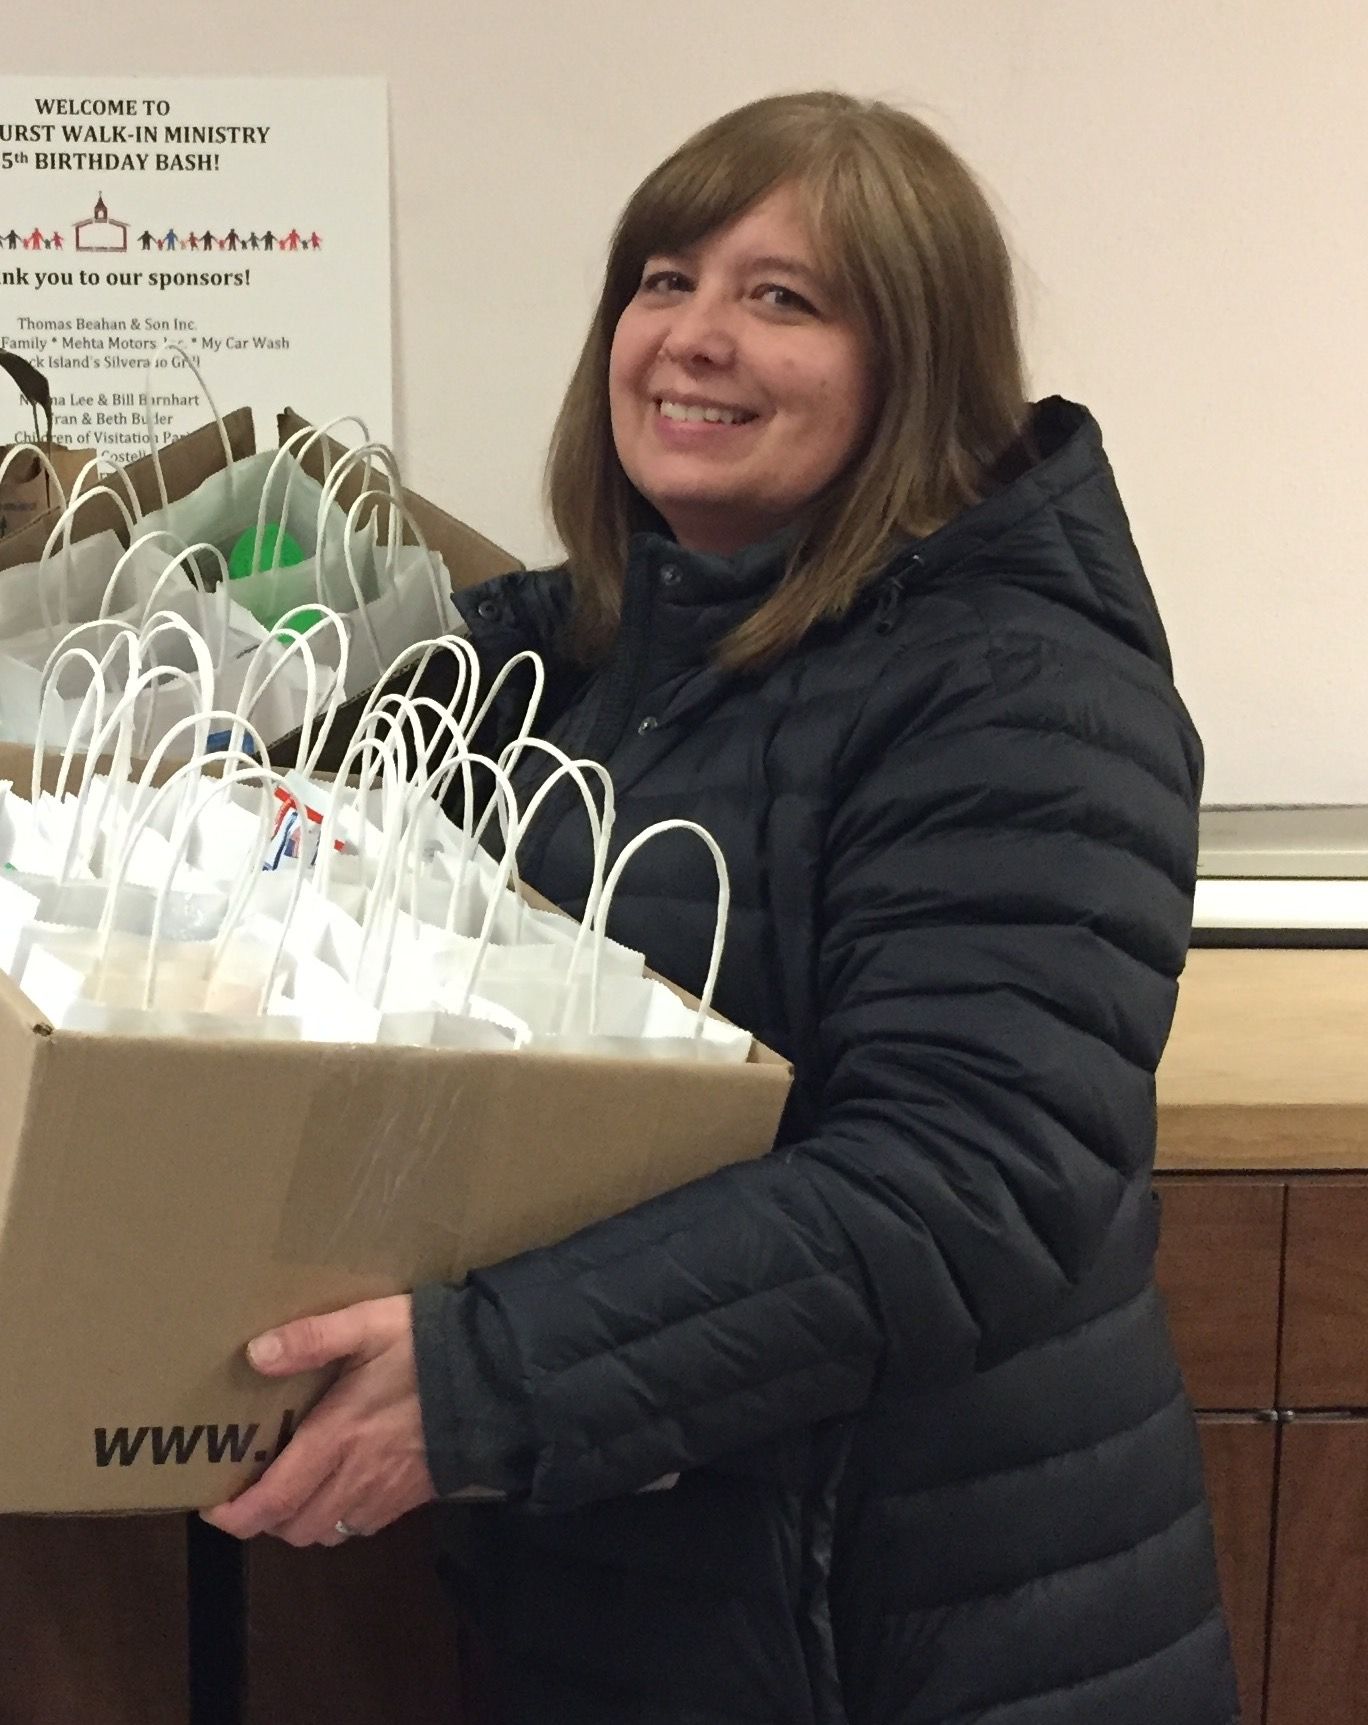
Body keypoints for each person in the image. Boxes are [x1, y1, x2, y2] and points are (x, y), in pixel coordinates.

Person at [205, 92, 1240, 1724]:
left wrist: (490, 1376)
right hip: (646, 1604)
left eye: (783, 298)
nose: (694, 337)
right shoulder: (589, 655)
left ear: (917, 365)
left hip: (899, 1635)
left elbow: (971, 1180)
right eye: (664, 279)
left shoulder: (1020, 690)